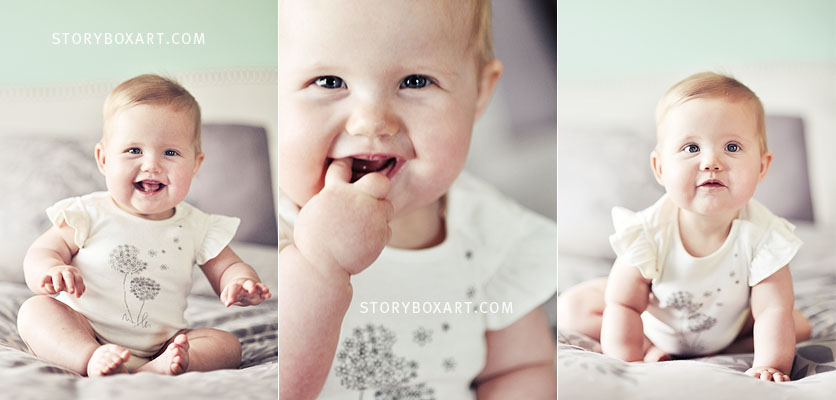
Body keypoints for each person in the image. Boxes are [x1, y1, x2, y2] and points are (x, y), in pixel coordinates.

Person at [279, 0, 557, 398]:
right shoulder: (277, 232)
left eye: (415, 81)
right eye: (329, 81)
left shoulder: (494, 235)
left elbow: (519, 367)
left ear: (479, 92)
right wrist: (322, 265)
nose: (372, 121)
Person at [558, 72, 811, 382]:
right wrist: (626, 363)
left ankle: (722, 349)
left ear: (762, 166)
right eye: (692, 148)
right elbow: (623, 304)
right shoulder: (648, 232)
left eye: (732, 147)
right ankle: (653, 347)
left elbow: (772, 310)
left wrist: (770, 364)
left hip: (728, 323)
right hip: (656, 323)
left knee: (793, 324)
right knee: (573, 308)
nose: (711, 162)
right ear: (660, 168)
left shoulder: (764, 237)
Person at [16, 74, 271, 377]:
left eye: (171, 153)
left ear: (196, 164)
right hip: (84, 328)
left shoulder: (198, 226)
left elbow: (228, 268)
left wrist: (241, 283)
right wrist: (49, 270)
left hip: (162, 345)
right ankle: (89, 359)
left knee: (227, 345)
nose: (152, 164)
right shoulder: (88, 212)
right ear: (103, 159)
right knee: (35, 312)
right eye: (134, 150)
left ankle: (157, 369)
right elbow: (43, 251)